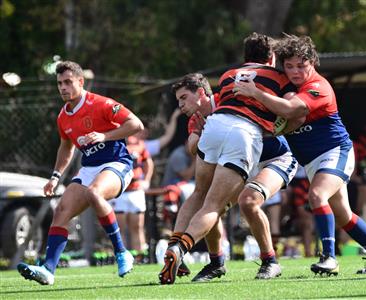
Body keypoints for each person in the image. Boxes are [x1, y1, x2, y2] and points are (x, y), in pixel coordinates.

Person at [234, 34, 366, 275]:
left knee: (317, 195)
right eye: (289, 66)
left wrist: (256, 93)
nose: (295, 71)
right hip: (312, 162)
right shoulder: (283, 87)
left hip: (335, 151)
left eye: (301, 65)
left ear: (313, 63)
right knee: (343, 216)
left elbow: (291, 110)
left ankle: (329, 257)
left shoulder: (319, 87)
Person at [159, 33, 296, 285]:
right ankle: (206, 259)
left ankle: (269, 261)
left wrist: (275, 124)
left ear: (202, 93)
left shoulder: (227, 82)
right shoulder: (206, 113)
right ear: (271, 57)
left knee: (244, 201)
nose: (181, 106)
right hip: (243, 141)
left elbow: (289, 112)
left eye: (183, 99)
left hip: (273, 156)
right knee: (210, 202)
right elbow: (192, 146)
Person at [17, 61, 144, 285]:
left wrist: (105, 136)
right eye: (59, 83)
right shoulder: (63, 117)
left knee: (94, 193)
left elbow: (136, 124)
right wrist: (55, 177)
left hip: (117, 163)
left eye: (68, 82)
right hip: (90, 167)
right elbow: (66, 146)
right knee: (61, 211)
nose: (63, 87)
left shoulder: (101, 104)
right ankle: (48, 270)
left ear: (80, 81)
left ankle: (122, 252)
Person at [110, 134, 153, 256]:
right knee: (119, 229)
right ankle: (122, 257)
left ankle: (140, 257)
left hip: (135, 190)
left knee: (137, 227)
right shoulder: (114, 142)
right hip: (120, 191)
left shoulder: (139, 144)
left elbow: (148, 163)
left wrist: (147, 180)